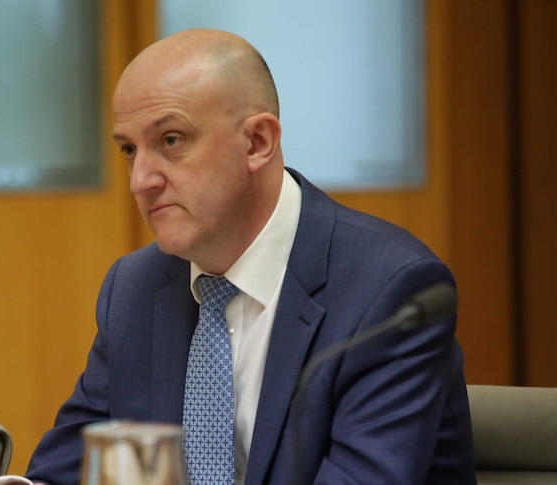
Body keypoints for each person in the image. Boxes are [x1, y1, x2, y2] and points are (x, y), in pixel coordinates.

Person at [24, 29, 475, 484]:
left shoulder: (387, 292)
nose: (140, 179)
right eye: (128, 149)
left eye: (171, 140)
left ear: (258, 142)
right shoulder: (135, 288)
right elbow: (66, 469)